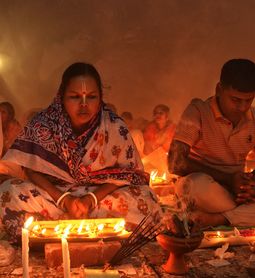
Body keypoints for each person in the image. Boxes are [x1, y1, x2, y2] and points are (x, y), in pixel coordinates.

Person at [0, 62, 161, 243]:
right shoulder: (42, 124)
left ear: (100, 97)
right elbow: (31, 170)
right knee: (8, 191)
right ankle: (101, 230)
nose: (84, 105)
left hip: (100, 198)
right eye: (75, 97)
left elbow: (127, 175)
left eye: (91, 97)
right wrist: (65, 200)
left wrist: (90, 199)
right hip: (53, 197)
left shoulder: (115, 126)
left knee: (147, 199)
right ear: (62, 97)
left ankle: (50, 230)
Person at [168, 58, 255, 228]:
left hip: (235, 192)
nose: (242, 107)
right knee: (194, 185)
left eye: (249, 100)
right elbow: (175, 162)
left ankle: (220, 218)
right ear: (219, 89)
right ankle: (249, 213)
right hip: (205, 187)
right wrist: (230, 179)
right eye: (235, 100)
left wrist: (248, 184)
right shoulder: (198, 111)